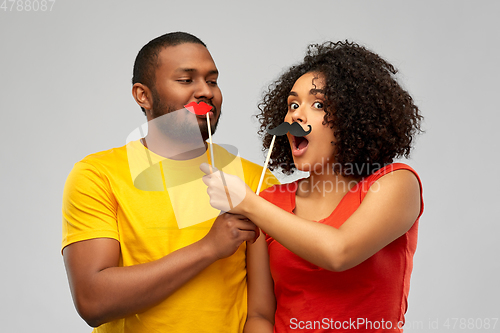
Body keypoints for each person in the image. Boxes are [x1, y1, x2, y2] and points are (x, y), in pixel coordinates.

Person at [61, 32, 278, 333]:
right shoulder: (96, 176)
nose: (206, 92)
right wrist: (208, 248)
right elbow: (92, 301)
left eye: (212, 80)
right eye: (186, 80)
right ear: (143, 95)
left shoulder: (257, 181)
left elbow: (261, 313)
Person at [201, 41, 424, 332]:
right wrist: (254, 205)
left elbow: (339, 252)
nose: (296, 116)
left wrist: (247, 202)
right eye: (293, 105)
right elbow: (260, 314)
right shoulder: (269, 202)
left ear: (353, 116)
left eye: (318, 104)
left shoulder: (396, 183)